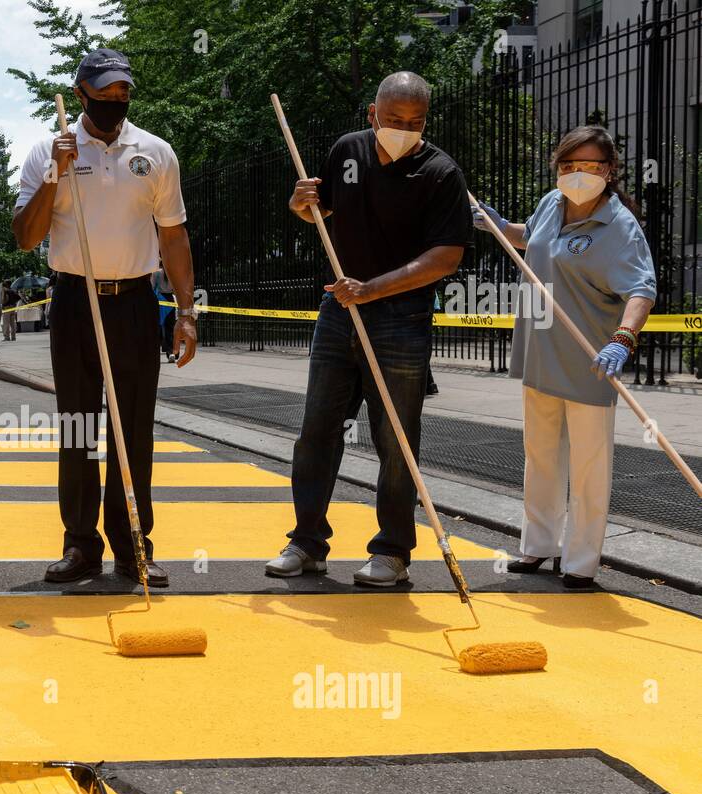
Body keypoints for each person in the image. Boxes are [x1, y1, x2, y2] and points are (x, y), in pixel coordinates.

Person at [265, 72, 473, 587]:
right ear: (372, 114)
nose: (403, 128)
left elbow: (446, 256)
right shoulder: (348, 150)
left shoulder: (441, 172)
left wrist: (374, 289)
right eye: (394, 119)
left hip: (401, 319)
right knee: (316, 430)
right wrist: (301, 205)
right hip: (339, 311)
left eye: (415, 122)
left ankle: (393, 552)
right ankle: (306, 543)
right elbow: (322, 209)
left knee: (395, 439)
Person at [14, 48, 197, 588]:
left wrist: (185, 312)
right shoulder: (48, 151)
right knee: (77, 426)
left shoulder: (155, 152)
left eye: (123, 91)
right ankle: (80, 545)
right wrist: (56, 174)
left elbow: (173, 235)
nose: (115, 100)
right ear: (80, 94)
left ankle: (134, 545)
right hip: (74, 301)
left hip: (136, 303)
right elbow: (25, 237)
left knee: (133, 430)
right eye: (105, 91)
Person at [475, 126, 655, 589]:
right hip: (539, 352)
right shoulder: (550, 205)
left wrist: (623, 339)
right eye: (569, 165)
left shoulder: (619, 226)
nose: (578, 174)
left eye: (591, 166)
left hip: (590, 359)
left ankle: (580, 561)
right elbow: (531, 239)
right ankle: (538, 546)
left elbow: (641, 290)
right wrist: (497, 224)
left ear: (609, 171)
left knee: (590, 466)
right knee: (540, 457)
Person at [152, 260, 176, 362]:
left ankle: (155, 351)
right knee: (170, 327)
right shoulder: (173, 272)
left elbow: (152, 286)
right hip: (170, 300)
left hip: (160, 300)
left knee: (158, 326)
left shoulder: (156, 273)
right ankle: (171, 352)